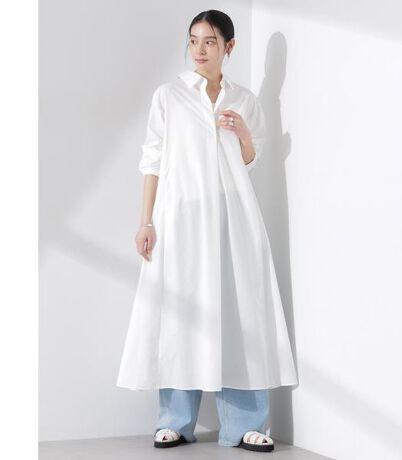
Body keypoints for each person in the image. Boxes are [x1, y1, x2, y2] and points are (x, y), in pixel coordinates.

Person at [116, 9, 298, 453]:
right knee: (182, 312)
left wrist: (244, 134)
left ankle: (245, 425)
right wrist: (146, 221)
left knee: (241, 315)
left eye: (210, 41)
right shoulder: (169, 96)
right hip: (181, 220)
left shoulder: (246, 100)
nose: (199, 49)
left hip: (235, 219)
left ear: (229, 47)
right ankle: (176, 421)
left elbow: (251, 161)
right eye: (193, 40)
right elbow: (152, 161)